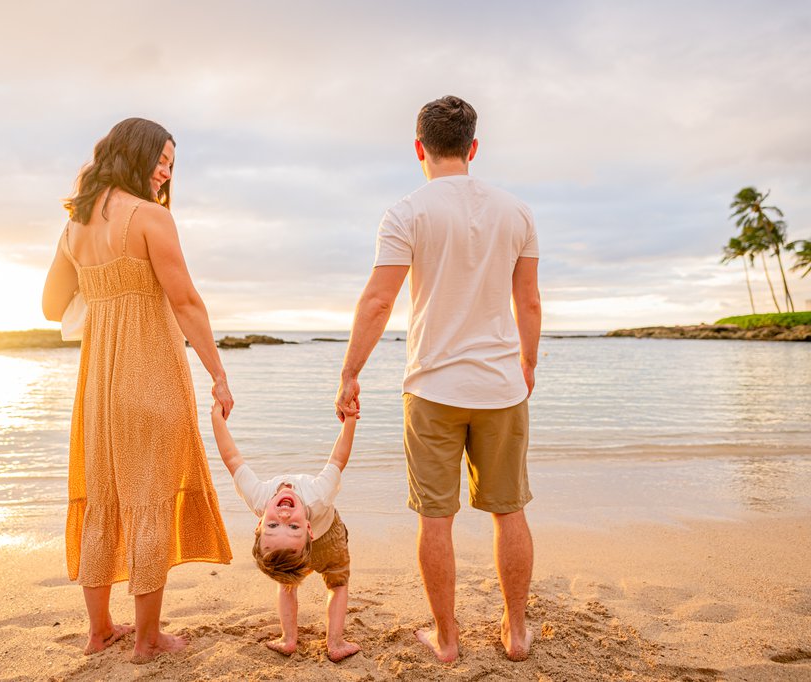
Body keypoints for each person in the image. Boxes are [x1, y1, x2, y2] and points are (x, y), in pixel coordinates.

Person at [334, 96, 542, 663]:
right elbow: (529, 301)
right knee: (509, 510)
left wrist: (351, 372)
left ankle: (448, 641)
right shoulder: (516, 211)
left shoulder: (406, 212)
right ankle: (517, 633)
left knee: (436, 517)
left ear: (419, 149)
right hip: (501, 385)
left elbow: (379, 300)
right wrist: (527, 363)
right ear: (473, 148)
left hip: (430, 387)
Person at [42, 117, 234, 662]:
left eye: (173, 164)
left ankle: (100, 630)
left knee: (103, 495)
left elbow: (51, 307)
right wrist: (219, 373)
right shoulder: (151, 218)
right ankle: (147, 640)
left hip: (98, 384)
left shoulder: (74, 226)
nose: (167, 172)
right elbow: (187, 302)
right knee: (150, 497)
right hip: (151, 374)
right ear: (135, 155)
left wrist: (99, 283)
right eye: (161, 159)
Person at [209, 398, 361, 663]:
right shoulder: (317, 496)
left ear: (260, 524)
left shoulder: (260, 498)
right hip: (330, 541)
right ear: (307, 530)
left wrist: (217, 419)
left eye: (274, 525)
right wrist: (348, 421)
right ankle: (334, 643)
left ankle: (289, 639)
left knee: (287, 584)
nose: (283, 515)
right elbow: (338, 458)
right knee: (338, 584)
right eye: (291, 526)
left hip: (305, 548)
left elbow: (231, 458)